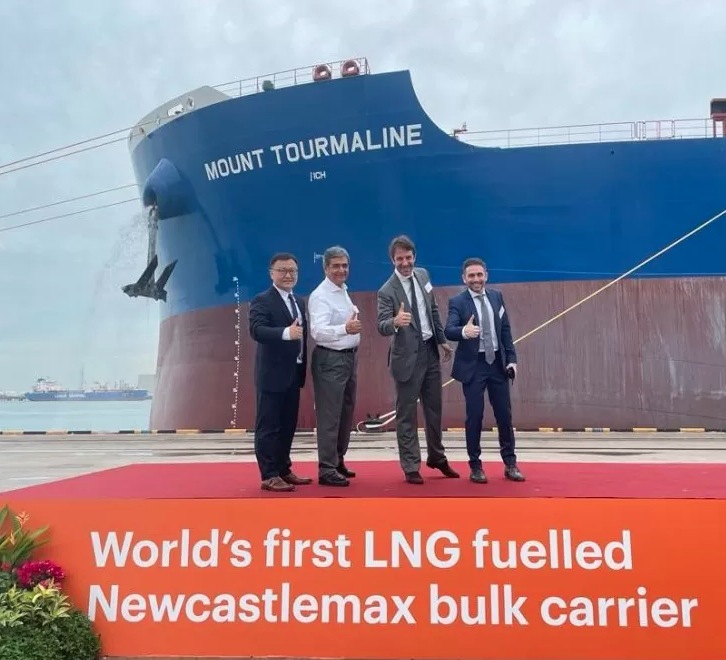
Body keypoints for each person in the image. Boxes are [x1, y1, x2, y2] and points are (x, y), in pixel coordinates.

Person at [376, 235, 459, 484]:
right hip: (406, 359)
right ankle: (411, 465)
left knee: (434, 409)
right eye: (399, 259)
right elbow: (381, 326)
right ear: (392, 260)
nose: (405, 263)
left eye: (408, 258)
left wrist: (442, 340)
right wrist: (394, 321)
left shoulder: (423, 276)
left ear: (415, 257)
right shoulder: (386, 291)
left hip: (430, 351)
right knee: (407, 414)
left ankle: (437, 457)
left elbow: (432, 309)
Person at [444, 257, 525, 483]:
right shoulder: (457, 302)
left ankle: (510, 464)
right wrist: (464, 331)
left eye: (479, 275)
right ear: (464, 278)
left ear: (486, 276)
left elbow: (505, 330)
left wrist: (512, 359)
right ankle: (475, 466)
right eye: (471, 275)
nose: (476, 279)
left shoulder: (497, 297)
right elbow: (448, 329)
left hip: (497, 364)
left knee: (504, 416)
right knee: (475, 416)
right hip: (474, 366)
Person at [248, 252, 313, 492]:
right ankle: (269, 475)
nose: (288, 275)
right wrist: (286, 333)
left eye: (292, 271)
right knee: (268, 426)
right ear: (271, 274)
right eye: (283, 270)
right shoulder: (262, 300)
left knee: (287, 425)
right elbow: (256, 330)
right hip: (271, 374)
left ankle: (284, 469)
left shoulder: (300, 302)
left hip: (293, 373)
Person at [308, 246, 361, 487]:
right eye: (336, 266)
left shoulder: (342, 291)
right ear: (325, 268)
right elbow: (318, 331)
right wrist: (344, 329)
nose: (341, 270)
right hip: (330, 360)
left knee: (345, 413)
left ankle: (338, 459)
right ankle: (326, 468)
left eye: (345, 265)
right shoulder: (321, 296)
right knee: (330, 415)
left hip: (348, 359)